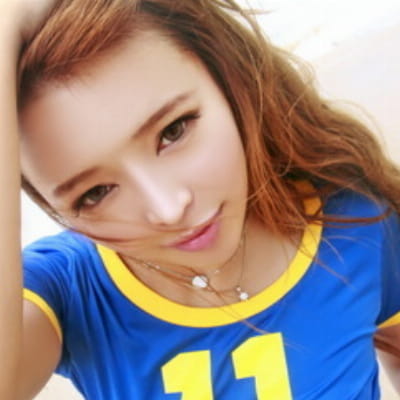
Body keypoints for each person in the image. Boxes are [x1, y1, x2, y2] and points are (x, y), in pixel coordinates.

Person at [1, 0, 400, 399]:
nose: (169, 208)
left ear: (230, 79)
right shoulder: (68, 293)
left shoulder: (356, 219)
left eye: (173, 131)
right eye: (95, 194)